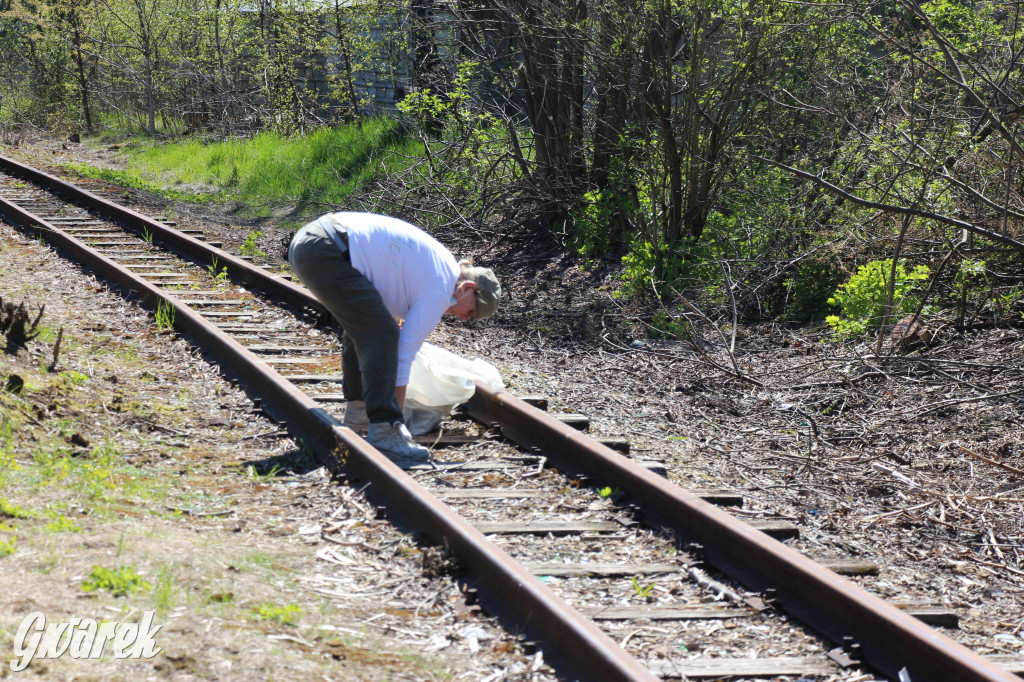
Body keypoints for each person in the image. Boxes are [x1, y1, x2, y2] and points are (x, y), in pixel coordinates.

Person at [287, 211, 501, 463]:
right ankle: (385, 432)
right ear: (468, 289)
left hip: (313, 243)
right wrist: (394, 421)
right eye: (471, 312)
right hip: (328, 251)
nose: (465, 318)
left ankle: (359, 414)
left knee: (368, 329)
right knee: (385, 335)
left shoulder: (436, 267)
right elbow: (403, 355)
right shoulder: (440, 288)